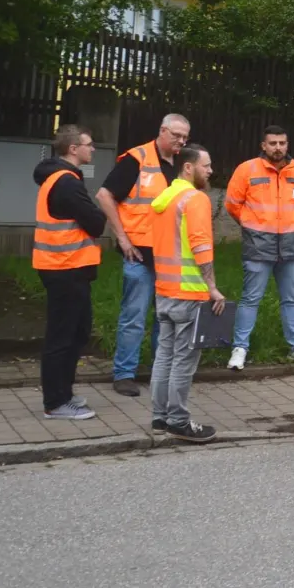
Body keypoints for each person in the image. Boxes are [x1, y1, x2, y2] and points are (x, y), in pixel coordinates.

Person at [94, 113, 190, 397]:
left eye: (185, 137)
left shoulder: (182, 165)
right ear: (162, 131)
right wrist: (122, 238)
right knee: (134, 316)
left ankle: (160, 372)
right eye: (176, 136)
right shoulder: (137, 159)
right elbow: (104, 195)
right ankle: (124, 374)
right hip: (139, 252)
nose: (181, 141)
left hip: (170, 254)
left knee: (166, 317)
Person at [223, 125, 294, 369]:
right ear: (263, 146)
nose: (278, 148)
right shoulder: (247, 170)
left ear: (287, 145)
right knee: (250, 298)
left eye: (282, 143)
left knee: (291, 299)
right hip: (258, 245)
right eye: (273, 143)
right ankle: (240, 348)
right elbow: (233, 204)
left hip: (291, 244)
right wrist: (251, 224)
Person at [149, 144, 224, 443]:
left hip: (164, 290)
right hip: (188, 293)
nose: (210, 170)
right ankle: (178, 421)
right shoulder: (195, 199)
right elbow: (201, 245)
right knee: (182, 360)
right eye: (206, 165)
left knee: (163, 356)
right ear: (189, 167)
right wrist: (213, 288)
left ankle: (160, 416)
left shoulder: (165, 199)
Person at [32, 125, 107, 419]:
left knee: (77, 332)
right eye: (89, 145)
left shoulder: (62, 178)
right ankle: (56, 402)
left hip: (69, 268)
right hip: (64, 269)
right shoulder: (65, 183)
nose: (93, 149)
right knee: (61, 337)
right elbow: (96, 222)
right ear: (73, 149)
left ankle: (65, 392)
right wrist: (97, 213)